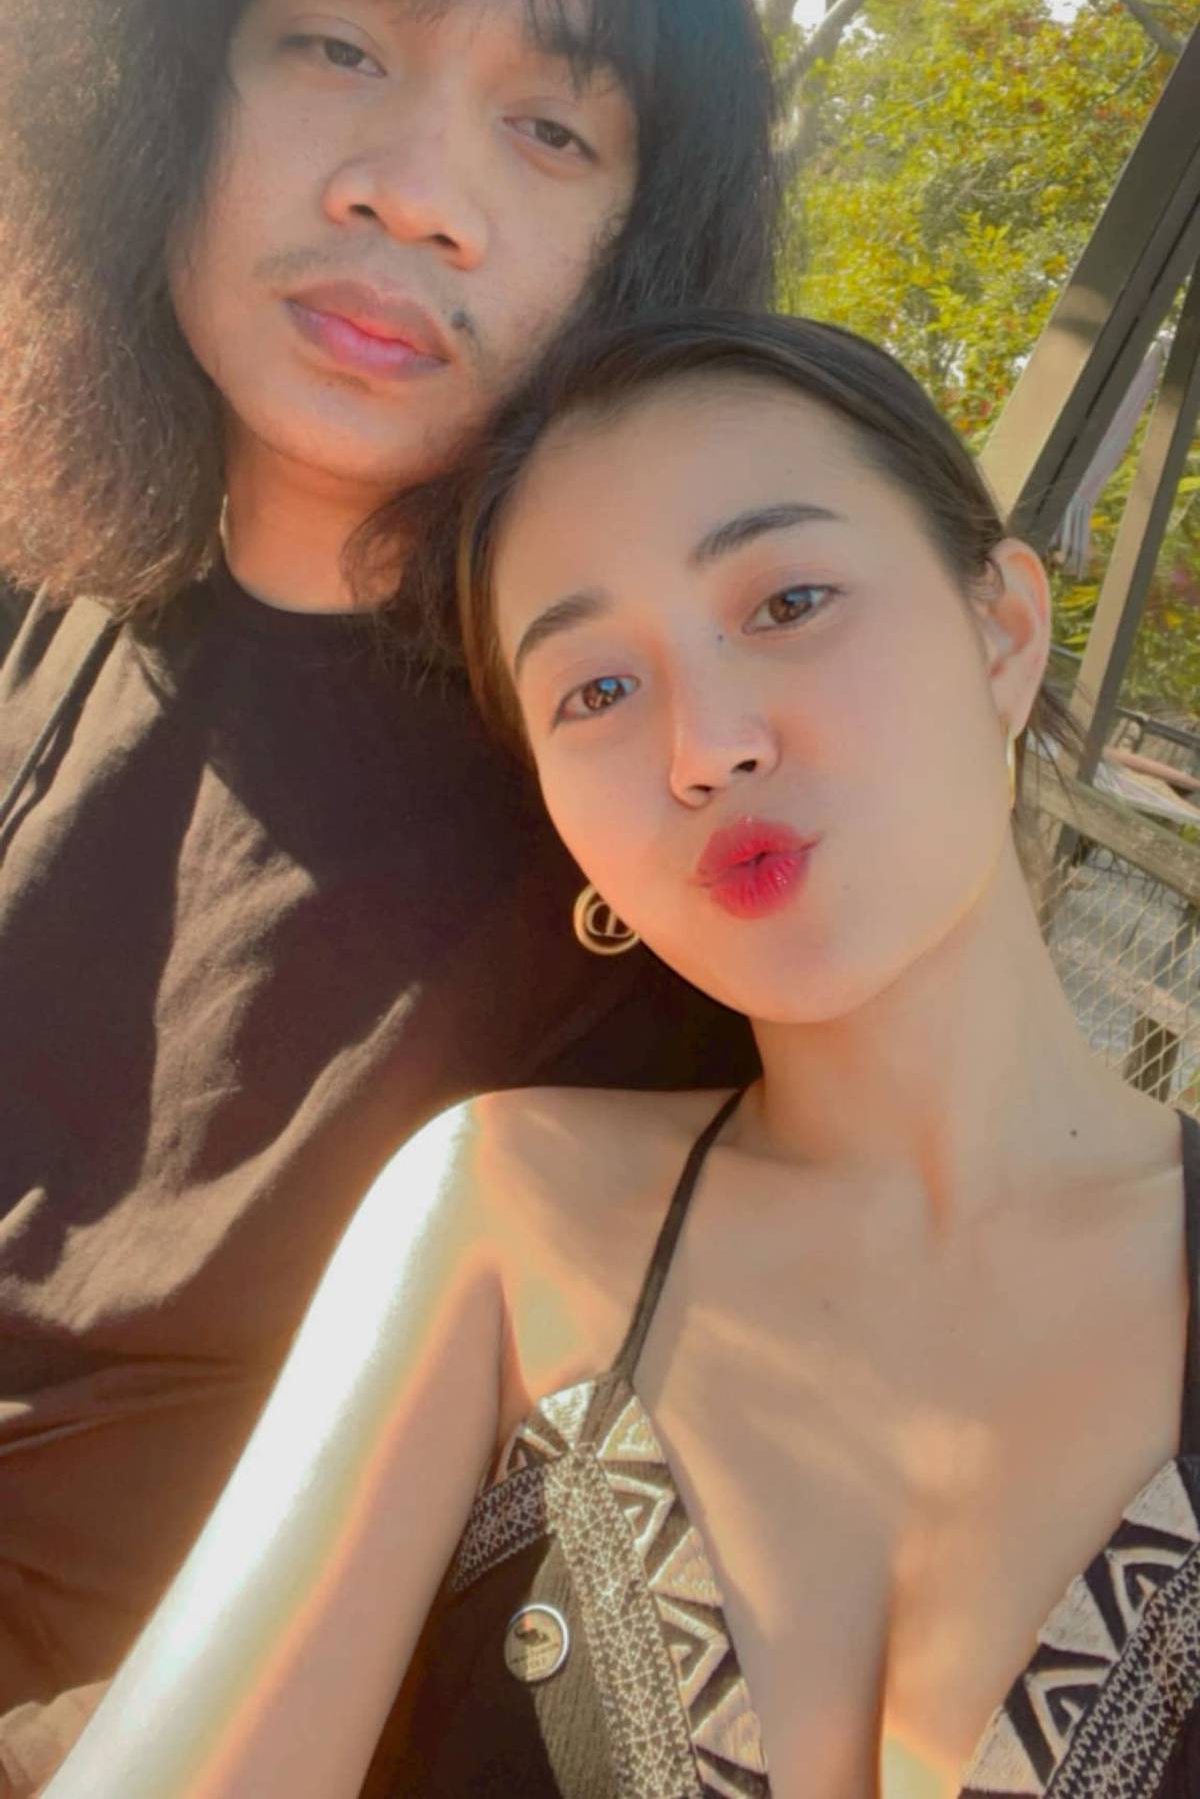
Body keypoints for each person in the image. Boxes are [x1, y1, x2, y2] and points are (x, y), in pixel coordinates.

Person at [41, 310, 1200, 1799]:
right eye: (594, 690)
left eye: (787, 600)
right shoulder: (502, 1213)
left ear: (1004, 632)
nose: (704, 747)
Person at [0, 0, 774, 1791]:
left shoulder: (637, 838)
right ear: (169, 78)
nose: (417, 194)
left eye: (552, 130)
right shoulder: (57, 583)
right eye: (337, 45)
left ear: (636, 251)